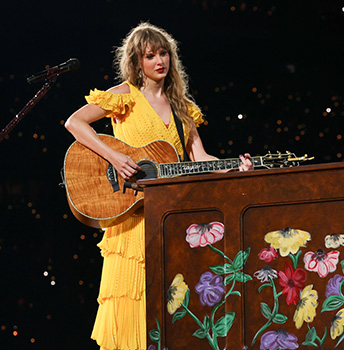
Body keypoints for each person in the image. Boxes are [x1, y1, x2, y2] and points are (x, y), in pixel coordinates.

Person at [65, 22, 254, 349]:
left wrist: (236, 168)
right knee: (134, 300)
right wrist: (113, 157)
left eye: (163, 53)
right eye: (150, 55)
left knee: (170, 304)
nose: (158, 61)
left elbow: (200, 157)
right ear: (137, 62)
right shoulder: (124, 97)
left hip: (171, 217)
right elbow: (75, 122)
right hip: (132, 218)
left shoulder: (182, 106)